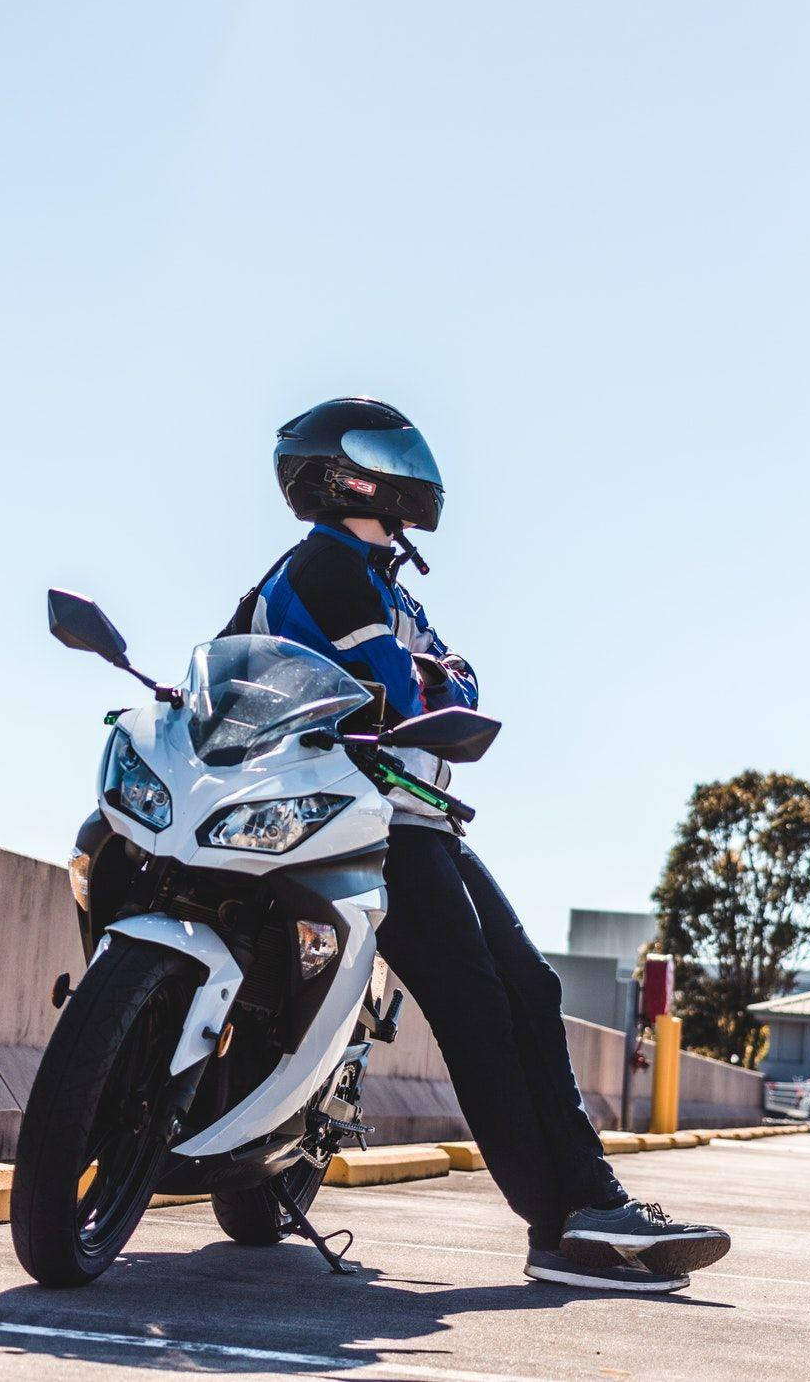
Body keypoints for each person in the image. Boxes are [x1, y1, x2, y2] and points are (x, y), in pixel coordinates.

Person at [221, 396, 730, 1292]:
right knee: (478, 1005)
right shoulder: (324, 569)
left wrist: (426, 676)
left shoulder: (382, 582)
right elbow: (397, 693)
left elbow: (458, 678)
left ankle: (586, 1205)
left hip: (409, 816)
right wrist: (422, 679)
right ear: (346, 475)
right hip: (358, 819)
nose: (413, 475)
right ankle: (568, 1220)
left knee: (524, 986)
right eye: (386, 456)